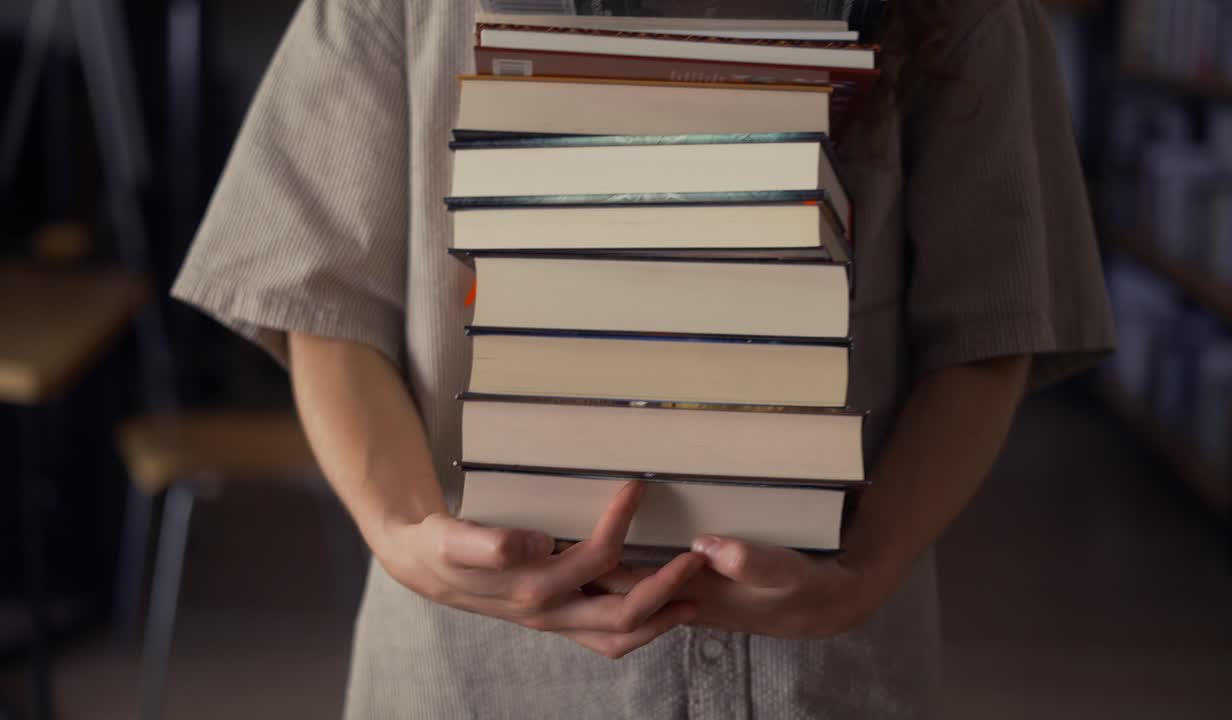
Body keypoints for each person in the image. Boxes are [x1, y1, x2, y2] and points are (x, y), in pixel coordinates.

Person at [171, 0, 1115, 717]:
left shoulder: (965, 15)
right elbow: (323, 301)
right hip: (479, 669)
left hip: (823, 666)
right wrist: (401, 532)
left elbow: (992, 322)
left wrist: (869, 569)